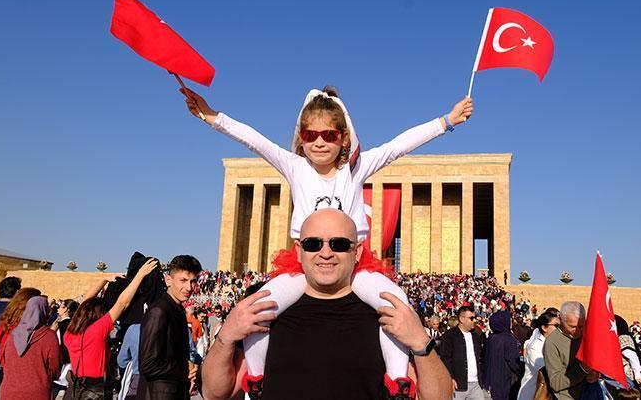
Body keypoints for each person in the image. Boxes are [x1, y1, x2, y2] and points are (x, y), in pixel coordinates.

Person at [182, 85, 473, 395]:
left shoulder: (355, 169)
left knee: (395, 303)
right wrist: (211, 115)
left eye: (329, 135)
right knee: (258, 308)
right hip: (298, 267)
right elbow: (254, 140)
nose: (319, 142)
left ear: (344, 137)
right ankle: (255, 374)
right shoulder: (295, 167)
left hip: (358, 267)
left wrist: (447, 121)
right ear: (300, 137)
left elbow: (398, 145)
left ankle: (398, 379)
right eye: (310, 135)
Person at [201, 209, 453, 400]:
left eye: (339, 244)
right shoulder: (268, 313)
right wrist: (226, 335)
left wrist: (421, 343)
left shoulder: (386, 315)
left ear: (357, 252)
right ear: (299, 250)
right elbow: (215, 393)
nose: (325, 253)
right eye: (313, 244)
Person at [63, 258, 158, 399]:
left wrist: (103, 280)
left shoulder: (70, 332)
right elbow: (122, 304)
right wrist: (140, 275)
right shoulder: (96, 331)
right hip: (96, 391)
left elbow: (84, 304)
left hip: (75, 388)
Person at [136, 255, 203, 400]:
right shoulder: (159, 311)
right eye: (183, 281)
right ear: (168, 280)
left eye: (193, 281)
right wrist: (184, 369)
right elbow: (147, 364)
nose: (189, 287)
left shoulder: (177, 309)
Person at [0, 296, 61, 400]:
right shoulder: (49, 336)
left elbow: (4, 361)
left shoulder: (13, 335)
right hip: (37, 393)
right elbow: (55, 368)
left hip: (8, 392)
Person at [543, 301, 598, 400]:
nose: (577, 331)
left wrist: (596, 373)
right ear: (560, 319)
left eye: (581, 326)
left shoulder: (586, 335)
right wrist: (582, 369)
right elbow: (555, 383)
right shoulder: (552, 343)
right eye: (572, 326)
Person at [438, 305, 483, 400]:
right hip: (458, 385)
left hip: (476, 384)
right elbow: (445, 358)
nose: (474, 321)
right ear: (462, 319)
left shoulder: (476, 336)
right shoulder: (449, 336)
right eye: (471, 318)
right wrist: (450, 377)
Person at [518, 308, 560, 400]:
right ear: (544, 327)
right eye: (556, 326)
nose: (559, 329)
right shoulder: (535, 347)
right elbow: (549, 371)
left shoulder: (554, 343)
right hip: (533, 394)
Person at [482, 310, 521, 400]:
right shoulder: (508, 339)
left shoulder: (490, 338)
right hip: (503, 380)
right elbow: (513, 361)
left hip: (489, 382)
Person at [117, 323, 141, 400]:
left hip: (137, 382)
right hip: (166, 385)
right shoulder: (174, 327)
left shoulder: (134, 329)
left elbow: (122, 361)